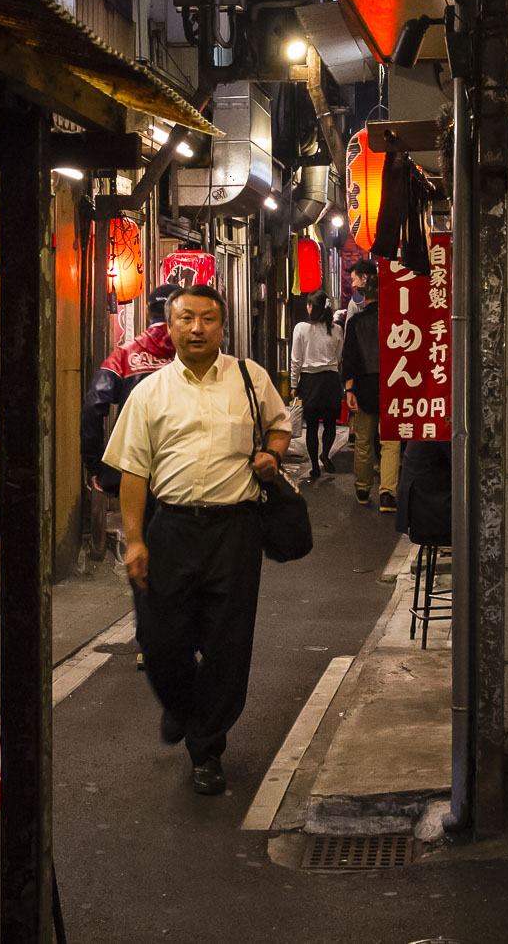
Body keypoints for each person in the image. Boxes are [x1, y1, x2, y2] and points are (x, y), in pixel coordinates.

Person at [102, 283, 291, 796]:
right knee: (161, 639)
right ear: (169, 325)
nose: (197, 328)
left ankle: (206, 747)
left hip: (235, 529)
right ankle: (181, 703)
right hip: (172, 528)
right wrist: (135, 540)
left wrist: (272, 455)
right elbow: (134, 474)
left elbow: (278, 426)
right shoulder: (150, 392)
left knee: (228, 644)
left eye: (208, 319)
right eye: (186, 319)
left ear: (222, 326)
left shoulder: (249, 379)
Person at [81, 283, 179, 495]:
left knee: (138, 525)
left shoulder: (124, 355)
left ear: (146, 310)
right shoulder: (194, 354)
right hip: (181, 465)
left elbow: (93, 406)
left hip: (134, 464)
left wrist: (96, 465)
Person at [340, 272, 400, 512]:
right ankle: (387, 494)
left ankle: (363, 489)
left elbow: (350, 358)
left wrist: (349, 388)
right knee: (390, 442)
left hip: (364, 386)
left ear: (364, 297)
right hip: (393, 384)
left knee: (363, 441)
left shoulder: (356, 322)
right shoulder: (394, 319)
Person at [289, 289, 344, 480]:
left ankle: (314, 466)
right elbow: (339, 358)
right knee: (330, 424)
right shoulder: (336, 329)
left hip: (310, 381)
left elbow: (296, 360)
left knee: (311, 426)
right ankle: (325, 454)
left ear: (311, 307)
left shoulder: (301, 328)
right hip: (330, 381)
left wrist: (293, 384)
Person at [336, 258, 377, 326]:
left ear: (364, 277)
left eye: (354, 280)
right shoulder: (386, 298)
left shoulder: (355, 303)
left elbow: (348, 334)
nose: (353, 284)